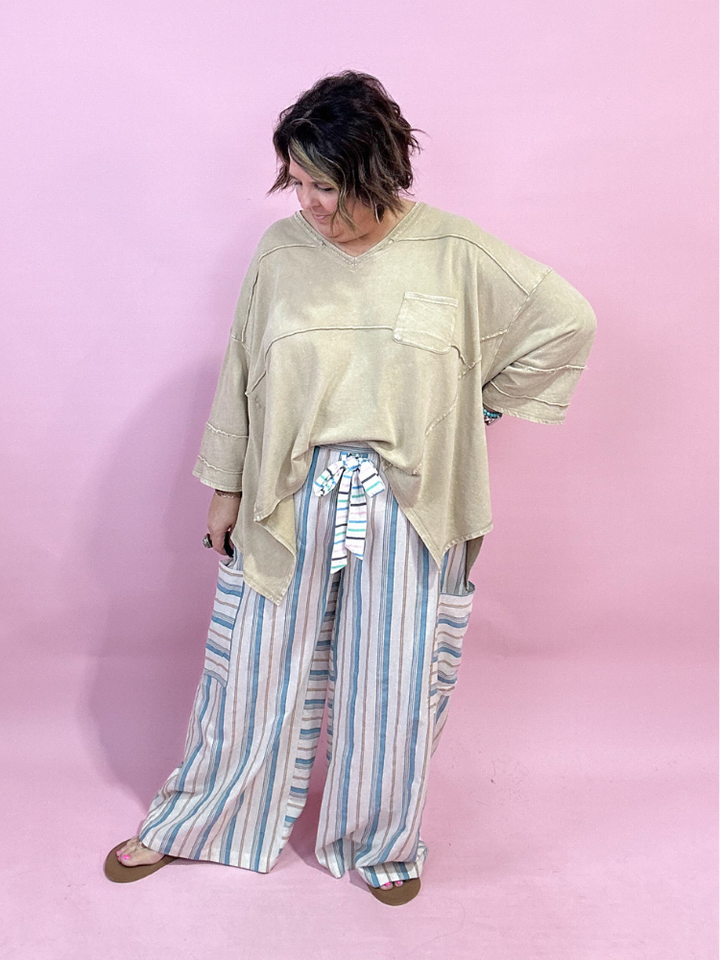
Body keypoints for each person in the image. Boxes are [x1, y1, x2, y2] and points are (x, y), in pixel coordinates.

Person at [104, 70, 596, 906]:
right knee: (251, 665)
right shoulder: (280, 253)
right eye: (296, 182)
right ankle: (200, 821)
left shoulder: (455, 251)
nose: (309, 204)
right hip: (289, 490)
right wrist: (225, 488)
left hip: (409, 503)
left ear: (376, 172)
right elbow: (244, 371)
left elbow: (567, 321)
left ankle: (379, 844)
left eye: (325, 186)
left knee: (395, 680)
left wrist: (476, 407)